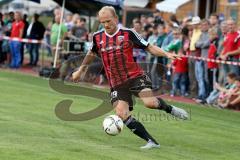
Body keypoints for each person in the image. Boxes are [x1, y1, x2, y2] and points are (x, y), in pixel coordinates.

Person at [72, 6, 188, 149]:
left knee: (150, 103)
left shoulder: (128, 33)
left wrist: (166, 54)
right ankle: (152, 142)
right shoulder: (97, 37)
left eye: (108, 21)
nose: (106, 25)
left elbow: (149, 47)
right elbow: (91, 53)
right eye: (103, 22)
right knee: (121, 112)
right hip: (116, 83)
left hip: (135, 76)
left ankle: (170, 109)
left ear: (116, 18)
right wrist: (80, 70)